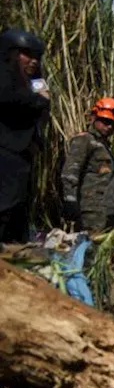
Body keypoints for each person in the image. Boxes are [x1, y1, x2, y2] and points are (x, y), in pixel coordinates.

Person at [0, 28, 51, 244]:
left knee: (17, 210)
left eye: (37, 57)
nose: (33, 61)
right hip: (5, 157)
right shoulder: (4, 77)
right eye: (27, 55)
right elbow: (11, 101)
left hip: (20, 158)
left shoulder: (29, 83)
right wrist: (40, 100)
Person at [61, 98, 114, 232]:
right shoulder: (84, 140)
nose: (110, 127)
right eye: (106, 122)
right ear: (94, 118)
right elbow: (70, 171)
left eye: (113, 123)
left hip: (105, 208)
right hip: (91, 209)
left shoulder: (104, 145)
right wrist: (70, 199)